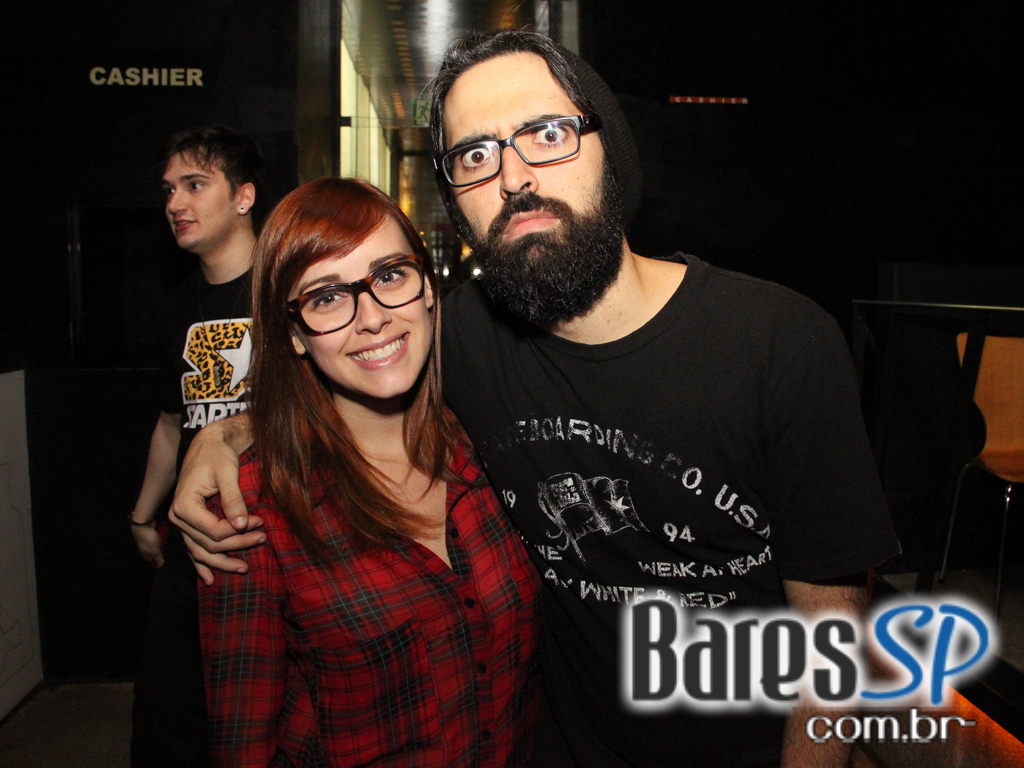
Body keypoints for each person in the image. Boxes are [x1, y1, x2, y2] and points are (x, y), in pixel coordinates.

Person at [170, 31, 900, 768]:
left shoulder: (781, 345)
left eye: (546, 134)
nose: (514, 176)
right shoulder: (455, 340)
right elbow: (345, 365)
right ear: (455, 198)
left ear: (606, 147)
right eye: (476, 156)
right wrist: (222, 437)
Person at [199, 177, 541, 766]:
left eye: (388, 275)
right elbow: (242, 743)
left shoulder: (492, 444)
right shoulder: (252, 507)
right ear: (294, 335)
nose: (373, 318)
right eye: (327, 297)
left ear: (428, 288)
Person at [130, 125, 264, 768]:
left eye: (194, 184)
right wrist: (141, 515)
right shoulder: (177, 305)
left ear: (243, 197)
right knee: (169, 713)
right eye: (168, 191)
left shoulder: (287, 288)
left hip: (268, 533)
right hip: (189, 535)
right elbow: (169, 423)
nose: (175, 204)